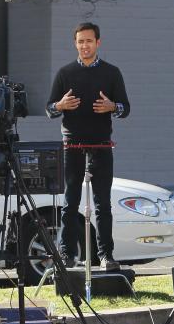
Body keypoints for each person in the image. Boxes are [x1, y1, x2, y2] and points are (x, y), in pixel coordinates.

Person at [47, 22, 130, 271]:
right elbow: (49, 109)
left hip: (101, 144)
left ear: (98, 43)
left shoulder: (112, 73)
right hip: (71, 145)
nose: (85, 46)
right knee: (70, 203)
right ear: (75, 44)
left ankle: (106, 256)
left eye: (89, 41)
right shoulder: (64, 73)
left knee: (103, 204)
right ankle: (67, 255)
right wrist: (60, 106)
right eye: (80, 41)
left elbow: (126, 108)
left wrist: (113, 107)